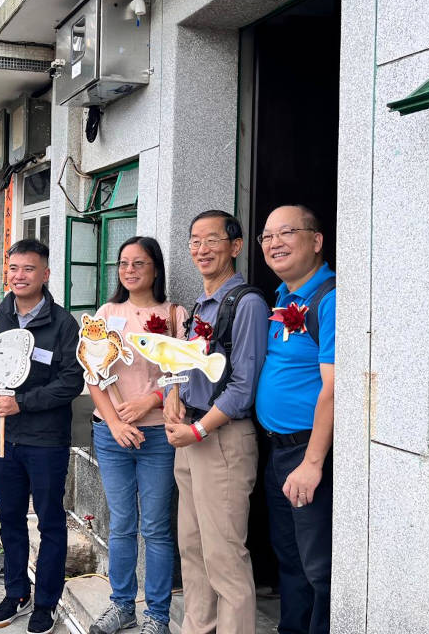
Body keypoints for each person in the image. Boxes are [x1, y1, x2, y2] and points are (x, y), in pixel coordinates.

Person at [162, 210, 268, 634]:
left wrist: (199, 429)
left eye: (212, 240)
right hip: (190, 437)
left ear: (235, 246)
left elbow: (243, 387)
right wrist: (173, 395)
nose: (201, 249)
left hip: (220, 439)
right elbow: (190, 368)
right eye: (195, 241)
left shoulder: (247, 303)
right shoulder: (202, 305)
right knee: (193, 549)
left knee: (224, 556)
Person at [88, 236, 187, 634]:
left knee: (156, 527)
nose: (129, 270)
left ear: (155, 269)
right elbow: (92, 373)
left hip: (159, 437)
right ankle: (122, 605)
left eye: (139, 263)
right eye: (124, 263)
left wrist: (149, 401)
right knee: (122, 524)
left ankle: (158, 615)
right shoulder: (107, 313)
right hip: (112, 436)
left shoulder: (174, 315)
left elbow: (184, 375)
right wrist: (115, 423)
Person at [0, 239, 82, 634]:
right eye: (14, 268)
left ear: (45, 274)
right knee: (9, 518)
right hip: (4, 439)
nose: (19, 276)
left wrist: (22, 403)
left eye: (28, 268)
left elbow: (71, 382)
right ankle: (16, 592)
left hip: (46, 441)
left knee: (50, 521)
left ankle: (46, 602)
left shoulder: (64, 324)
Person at [254, 205, 335, 634]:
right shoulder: (283, 296)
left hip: (308, 452)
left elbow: (334, 388)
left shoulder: (329, 299)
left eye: (286, 233)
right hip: (278, 449)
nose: (274, 243)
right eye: (267, 236)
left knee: (317, 566)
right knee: (289, 558)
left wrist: (313, 463)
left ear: (316, 241)